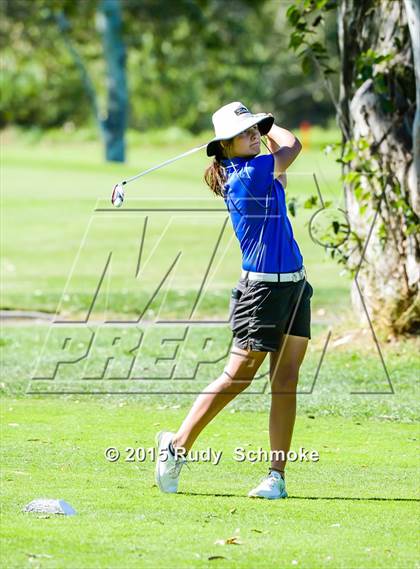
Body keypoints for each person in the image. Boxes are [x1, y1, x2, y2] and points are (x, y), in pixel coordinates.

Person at [155, 101, 313, 499]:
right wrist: (268, 121)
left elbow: (282, 162)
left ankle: (276, 477)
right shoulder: (246, 175)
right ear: (224, 146)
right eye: (244, 133)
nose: (253, 135)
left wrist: (255, 126)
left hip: (294, 285)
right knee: (238, 376)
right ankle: (176, 446)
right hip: (262, 292)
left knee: (286, 379)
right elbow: (291, 145)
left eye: (253, 130)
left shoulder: (258, 171)